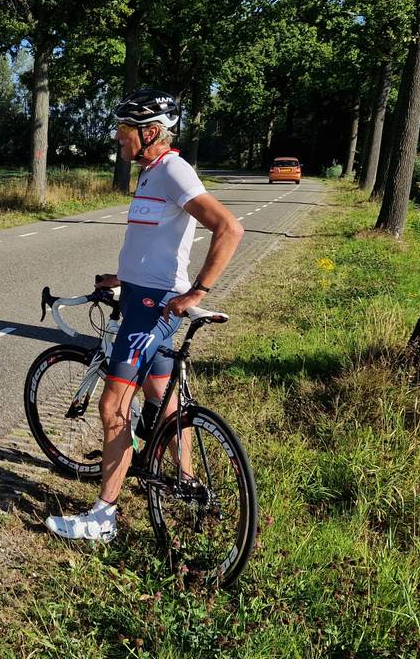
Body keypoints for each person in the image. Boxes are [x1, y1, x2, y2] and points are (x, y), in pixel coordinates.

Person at [44, 88, 244, 541]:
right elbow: (157, 242)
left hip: (154, 305)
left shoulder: (173, 170)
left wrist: (198, 291)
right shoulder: (150, 173)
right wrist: (122, 276)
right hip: (138, 294)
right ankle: (188, 482)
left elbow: (229, 227)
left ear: (150, 132)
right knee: (165, 399)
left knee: (113, 405)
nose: (117, 138)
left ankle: (103, 516)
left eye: (123, 130)